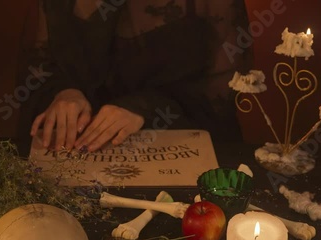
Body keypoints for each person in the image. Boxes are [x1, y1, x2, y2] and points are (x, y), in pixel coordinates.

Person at [16, 0, 252, 156]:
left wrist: (143, 109)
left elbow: (220, 93)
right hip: (76, 157)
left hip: (176, 151)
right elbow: (41, 64)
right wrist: (63, 91)